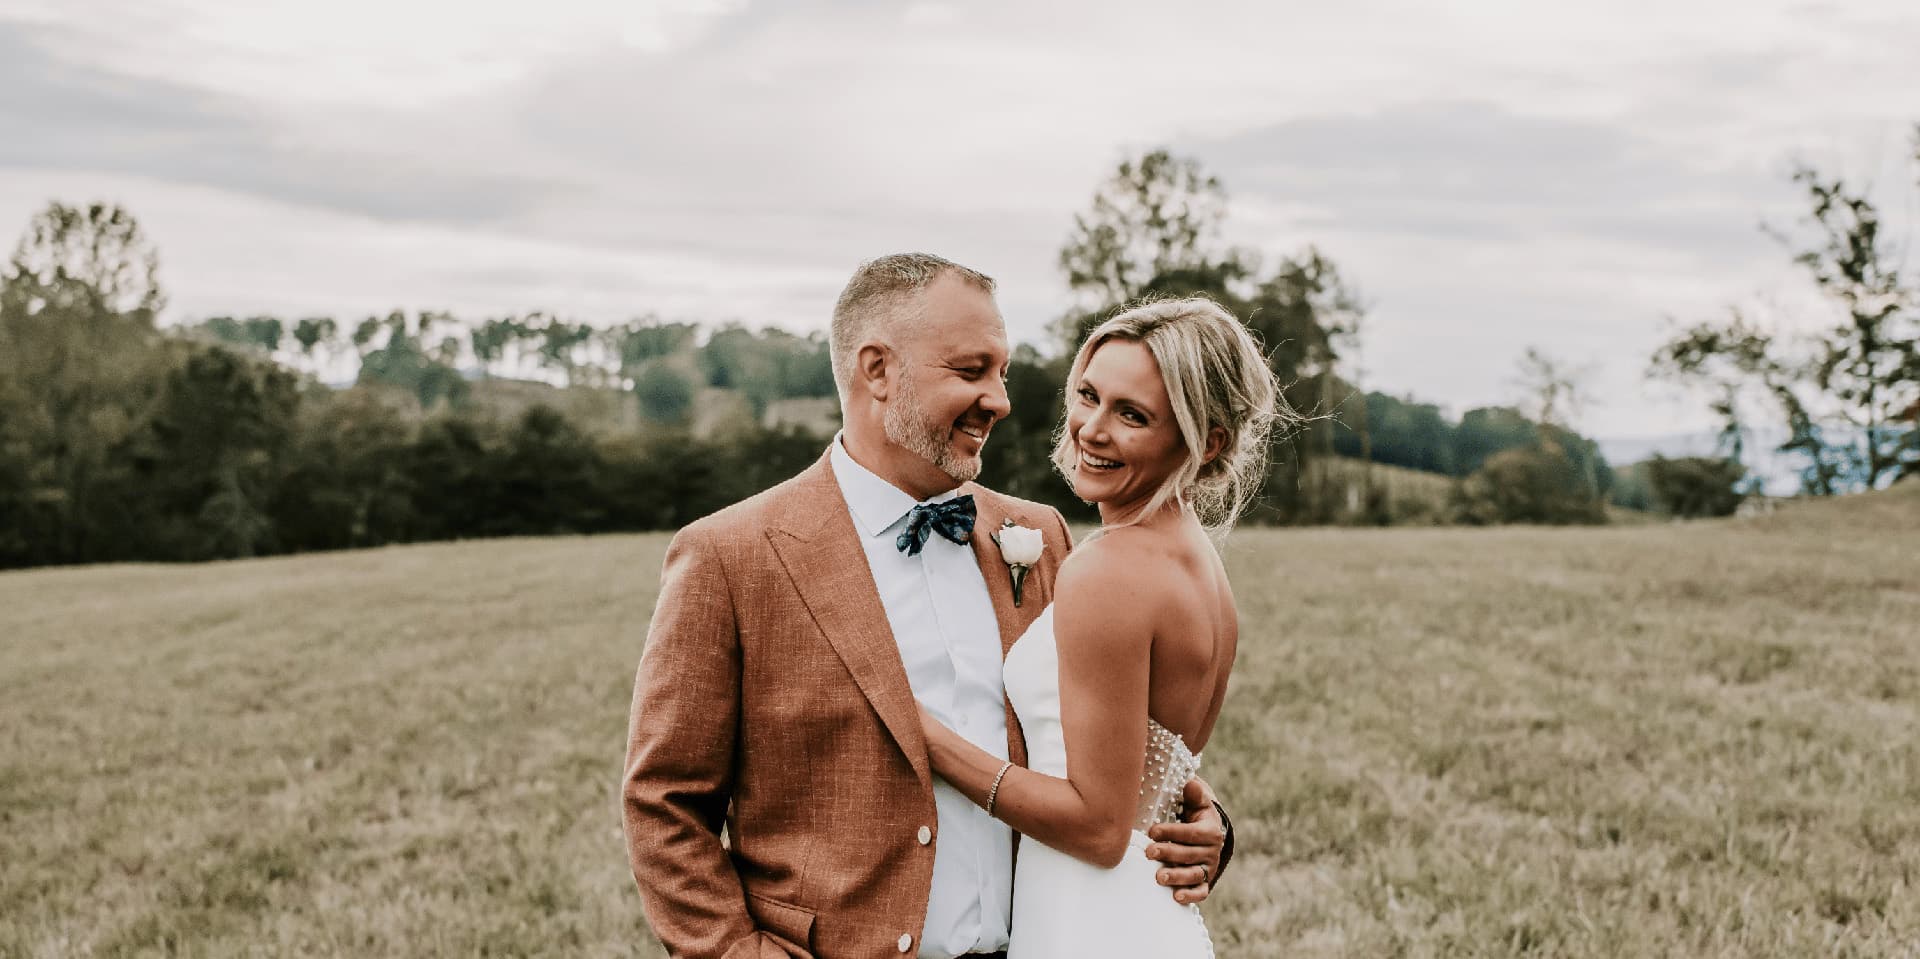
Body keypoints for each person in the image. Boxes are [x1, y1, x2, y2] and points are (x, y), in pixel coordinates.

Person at [623, 254, 1231, 959]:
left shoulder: (1041, 536)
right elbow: (665, 804)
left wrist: (1199, 819)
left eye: (1002, 372)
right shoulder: (729, 556)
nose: (1000, 400)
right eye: (972, 371)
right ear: (878, 370)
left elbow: (1100, 748)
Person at [915, 297, 1283, 956]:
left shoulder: (1109, 568)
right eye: (1089, 396)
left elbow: (1099, 826)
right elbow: (1150, 765)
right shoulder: (1199, 564)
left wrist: (923, 734)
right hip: (1145, 909)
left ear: (1207, 442)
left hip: (1089, 916)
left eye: (1132, 414)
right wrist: (1200, 807)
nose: (1091, 429)